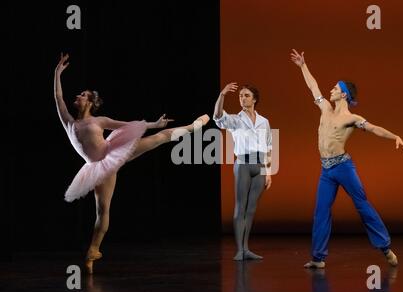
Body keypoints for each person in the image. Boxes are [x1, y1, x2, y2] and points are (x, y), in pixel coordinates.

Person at [54, 53, 209, 273]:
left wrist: (154, 124)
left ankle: (193, 126)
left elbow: (129, 125)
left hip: (112, 151)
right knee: (102, 210)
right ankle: (92, 252)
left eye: (83, 95)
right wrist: (57, 74)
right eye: (80, 94)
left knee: (160, 137)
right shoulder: (68, 121)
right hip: (97, 166)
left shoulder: (100, 120)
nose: (78, 96)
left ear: (90, 102)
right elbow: (58, 99)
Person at [290, 49, 403, 268]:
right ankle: (318, 258)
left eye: (335, 88)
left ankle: (386, 248)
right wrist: (302, 66)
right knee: (321, 211)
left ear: (343, 94)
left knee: (362, 205)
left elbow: (374, 128)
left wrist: (395, 136)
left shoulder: (351, 118)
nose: (331, 90)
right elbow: (312, 86)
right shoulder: (325, 108)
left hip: (343, 167)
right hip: (326, 170)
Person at [213, 82, 272, 260]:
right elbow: (217, 116)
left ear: (254, 99)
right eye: (240, 95)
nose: (242, 98)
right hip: (243, 165)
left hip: (259, 166)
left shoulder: (264, 121)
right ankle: (240, 249)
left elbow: (269, 146)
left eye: (246, 95)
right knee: (241, 206)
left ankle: (247, 248)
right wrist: (222, 95)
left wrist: (269, 172)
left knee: (251, 209)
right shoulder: (235, 120)